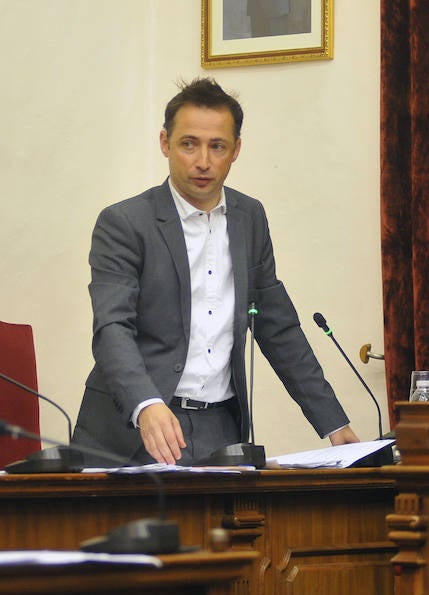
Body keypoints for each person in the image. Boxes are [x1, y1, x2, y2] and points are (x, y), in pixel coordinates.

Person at [72, 78, 359, 466]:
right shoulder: (124, 223)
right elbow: (111, 328)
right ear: (164, 143)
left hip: (219, 428)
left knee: (225, 528)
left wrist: (333, 423)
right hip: (134, 427)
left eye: (217, 146)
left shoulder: (249, 218)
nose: (203, 161)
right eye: (188, 143)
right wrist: (145, 403)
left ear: (236, 150)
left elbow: (278, 328)